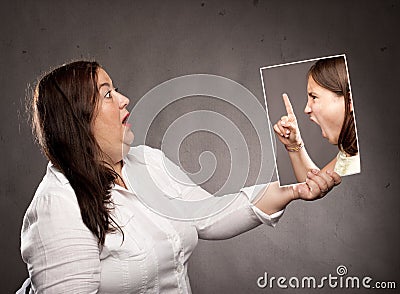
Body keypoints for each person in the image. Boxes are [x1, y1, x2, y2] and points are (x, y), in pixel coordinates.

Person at [19, 61, 341, 293]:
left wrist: (292, 189)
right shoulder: (58, 204)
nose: (123, 99)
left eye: (116, 89)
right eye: (107, 94)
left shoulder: (147, 161)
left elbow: (210, 214)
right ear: (78, 119)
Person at [273, 56, 360, 181]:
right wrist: (294, 145)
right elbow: (315, 186)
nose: (306, 109)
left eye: (313, 97)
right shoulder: (348, 154)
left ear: (349, 101)